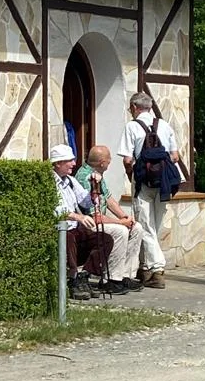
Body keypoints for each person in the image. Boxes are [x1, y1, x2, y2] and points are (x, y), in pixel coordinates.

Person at [118, 92, 179, 289]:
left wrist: (131, 174)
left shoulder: (132, 126)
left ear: (134, 107)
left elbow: (127, 159)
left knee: (145, 226)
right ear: (150, 107)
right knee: (155, 226)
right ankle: (144, 268)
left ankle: (157, 269)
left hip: (143, 182)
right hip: (164, 182)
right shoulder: (165, 125)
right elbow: (175, 156)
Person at [77, 145, 144, 293]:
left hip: (100, 220)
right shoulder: (85, 178)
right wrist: (121, 222)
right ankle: (112, 279)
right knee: (120, 231)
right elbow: (94, 216)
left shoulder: (97, 174)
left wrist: (125, 217)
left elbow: (108, 198)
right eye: (109, 160)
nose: (110, 162)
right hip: (88, 224)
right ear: (102, 162)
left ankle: (126, 275)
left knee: (136, 228)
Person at [51, 142, 113, 300]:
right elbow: (54, 210)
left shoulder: (70, 181)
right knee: (69, 236)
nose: (73, 163)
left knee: (104, 239)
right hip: (60, 229)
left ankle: (84, 275)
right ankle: (73, 278)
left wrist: (94, 187)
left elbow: (86, 202)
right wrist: (77, 217)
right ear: (58, 163)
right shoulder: (49, 183)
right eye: (69, 161)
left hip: (75, 228)